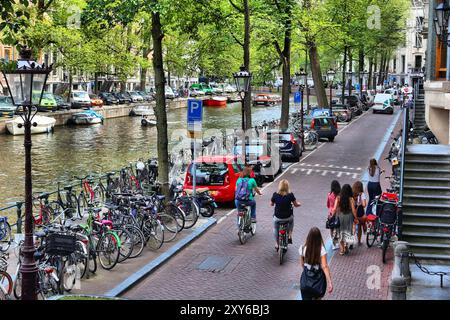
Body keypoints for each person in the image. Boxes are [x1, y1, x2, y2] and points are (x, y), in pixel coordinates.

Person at [299, 227, 333, 300]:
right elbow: (324, 266)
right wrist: (330, 282)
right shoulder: (322, 250)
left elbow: (302, 264)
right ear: (319, 237)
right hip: (318, 281)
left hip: (306, 281)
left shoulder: (302, 248)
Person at [271, 179, 301, 251]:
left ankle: (277, 243)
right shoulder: (290, 195)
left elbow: (271, 204)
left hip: (277, 217)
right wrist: (299, 204)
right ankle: (290, 234)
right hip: (288, 217)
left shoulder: (275, 194)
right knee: (292, 220)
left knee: (275, 228)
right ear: (287, 187)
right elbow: (296, 204)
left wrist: (275, 203)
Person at [333, 184, 357, 255]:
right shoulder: (351, 199)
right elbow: (353, 210)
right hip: (349, 217)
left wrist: (333, 216)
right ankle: (346, 245)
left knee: (340, 232)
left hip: (341, 216)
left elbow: (334, 208)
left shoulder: (338, 198)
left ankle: (342, 249)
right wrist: (355, 218)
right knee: (347, 232)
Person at [327, 180, 341, 250]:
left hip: (330, 213)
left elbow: (328, 205)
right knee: (338, 227)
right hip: (338, 213)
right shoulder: (339, 195)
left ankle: (333, 243)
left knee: (331, 228)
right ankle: (338, 242)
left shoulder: (329, 194)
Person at [352, 181, 367, 245]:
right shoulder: (362, 194)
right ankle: (359, 241)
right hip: (360, 213)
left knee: (353, 226)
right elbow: (364, 205)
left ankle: (351, 241)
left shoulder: (352, 194)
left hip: (353, 212)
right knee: (360, 225)